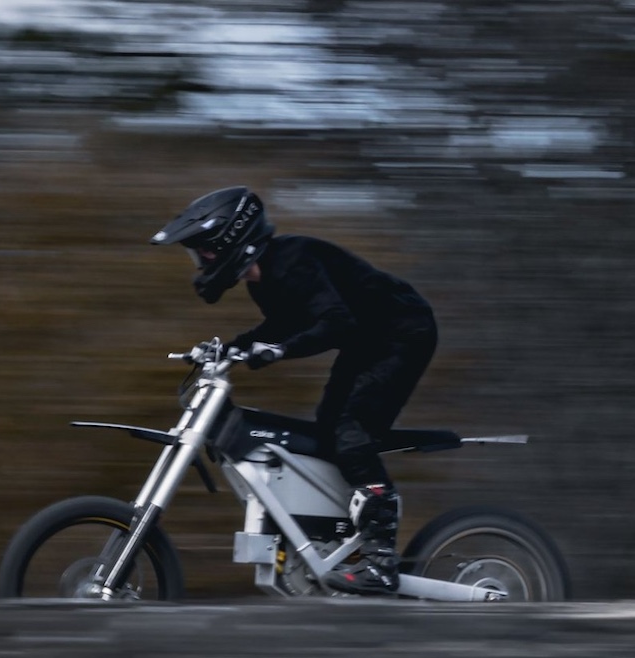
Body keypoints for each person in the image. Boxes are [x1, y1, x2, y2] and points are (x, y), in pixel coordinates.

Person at [150, 185, 437, 594]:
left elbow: (333, 322)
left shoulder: (294, 261)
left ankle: (381, 563)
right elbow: (282, 324)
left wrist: (281, 350)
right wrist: (231, 348)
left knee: (351, 433)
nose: (201, 262)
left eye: (205, 252)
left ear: (231, 240)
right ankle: (335, 538)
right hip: (367, 338)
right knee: (326, 431)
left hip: (402, 333)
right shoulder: (264, 279)